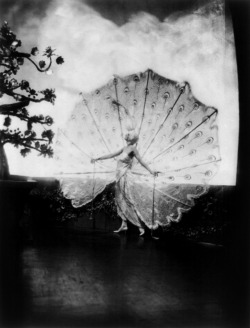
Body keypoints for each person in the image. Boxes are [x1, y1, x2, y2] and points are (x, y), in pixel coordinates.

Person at [91, 130, 158, 236]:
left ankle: (140, 226)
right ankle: (124, 224)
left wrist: (151, 171)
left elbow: (141, 161)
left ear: (132, 138)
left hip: (124, 176)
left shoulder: (133, 149)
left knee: (127, 200)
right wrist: (98, 158)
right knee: (119, 199)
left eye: (129, 136)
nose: (127, 137)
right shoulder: (124, 148)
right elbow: (111, 154)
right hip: (118, 176)